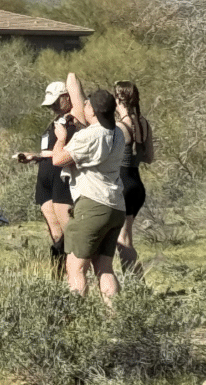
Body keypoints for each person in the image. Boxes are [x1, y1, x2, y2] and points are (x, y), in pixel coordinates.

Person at [51, 89, 126, 301]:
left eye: (86, 104)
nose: (83, 107)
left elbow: (58, 160)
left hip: (92, 205)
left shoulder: (89, 135)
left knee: (75, 267)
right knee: (104, 267)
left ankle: (78, 318)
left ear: (92, 109)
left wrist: (61, 137)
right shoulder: (118, 132)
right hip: (115, 206)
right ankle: (115, 319)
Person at [17, 81, 79, 278]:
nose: (52, 107)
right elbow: (50, 151)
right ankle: (57, 277)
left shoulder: (74, 122)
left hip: (61, 179)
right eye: (50, 104)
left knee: (68, 232)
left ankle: (76, 276)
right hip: (45, 181)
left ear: (66, 97)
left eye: (55, 102)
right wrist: (34, 156)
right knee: (55, 234)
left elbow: (69, 151)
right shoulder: (53, 123)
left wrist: (46, 155)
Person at [113, 80, 155, 275]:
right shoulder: (144, 124)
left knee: (123, 239)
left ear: (119, 99)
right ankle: (135, 283)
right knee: (126, 236)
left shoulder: (120, 127)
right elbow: (149, 158)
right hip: (137, 184)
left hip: (122, 184)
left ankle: (135, 285)